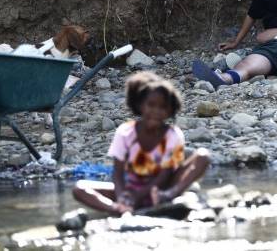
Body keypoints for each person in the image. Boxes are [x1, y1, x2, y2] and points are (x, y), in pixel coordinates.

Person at [72, 72, 210, 215]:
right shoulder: (125, 132)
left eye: (163, 107)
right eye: (151, 105)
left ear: (170, 111)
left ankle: (169, 196)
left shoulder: (172, 135)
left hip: (163, 188)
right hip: (131, 189)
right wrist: (122, 197)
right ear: (140, 106)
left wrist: (140, 196)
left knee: (203, 156)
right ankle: (116, 209)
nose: (156, 111)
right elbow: (117, 174)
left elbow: (164, 176)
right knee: (80, 188)